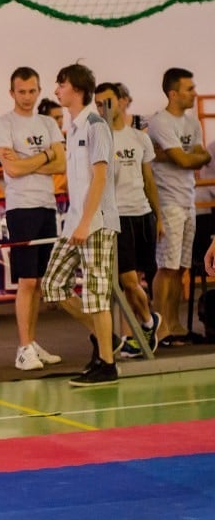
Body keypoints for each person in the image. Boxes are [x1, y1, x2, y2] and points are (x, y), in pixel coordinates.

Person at [41, 63, 120, 386]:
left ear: (76, 88)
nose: (57, 90)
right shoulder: (71, 128)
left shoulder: (95, 125)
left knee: (96, 294)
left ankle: (106, 363)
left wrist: (86, 222)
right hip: (73, 221)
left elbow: (100, 176)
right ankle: (105, 340)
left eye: (61, 84)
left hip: (96, 222)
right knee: (53, 285)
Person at [0, 67, 66, 371]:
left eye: (32, 91)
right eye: (21, 91)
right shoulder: (3, 124)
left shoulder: (49, 122)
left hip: (47, 205)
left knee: (38, 282)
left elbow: (61, 163)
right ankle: (23, 349)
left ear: (39, 90)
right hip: (21, 208)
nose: (27, 97)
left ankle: (32, 341)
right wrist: (45, 156)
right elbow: (13, 170)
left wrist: (32, 160)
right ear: (12, 93)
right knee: (27, 280)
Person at [93, 82, 163, 358]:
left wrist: (158, 218)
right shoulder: (99, 138)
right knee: (127, 279)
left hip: (142, 215)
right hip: (116, 217)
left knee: (143, 278)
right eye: (99, 104)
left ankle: (145, 326)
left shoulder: (139, 138)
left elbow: (148, 180)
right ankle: (148, 322)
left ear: (122, 102)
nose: (104, 109)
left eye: (108, 102)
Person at [148, 68, 212, 345]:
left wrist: (179, 156)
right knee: (167, 267)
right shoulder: (160, 122)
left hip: (187, 201)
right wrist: (184, 157)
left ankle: (174, 325)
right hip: (168, 202)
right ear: (173, 93)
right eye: (189, 88)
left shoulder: (192, 122)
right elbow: (189, 160)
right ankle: (159, 326)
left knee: (182, 267)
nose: (194, 92)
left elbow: (204, 155)